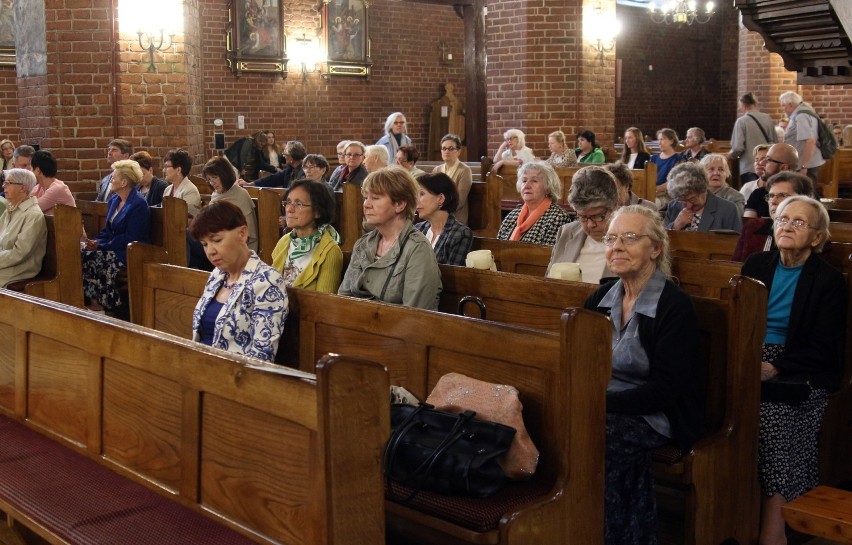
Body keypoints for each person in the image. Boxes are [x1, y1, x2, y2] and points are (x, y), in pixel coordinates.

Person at [584, 205, 703, 545]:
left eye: (630, 238)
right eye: (611, 238)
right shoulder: (600, 299)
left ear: (655, 249)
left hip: (658, 413)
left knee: (593, 437)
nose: (616, 247)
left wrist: (598, 403)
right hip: (606, 404)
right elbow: (578, 360)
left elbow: (665, 390)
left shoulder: (674, 306)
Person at [741, 196, 846, 545]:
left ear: (817, 238)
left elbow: (823, 348)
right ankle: (733, 512)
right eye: (783, 218)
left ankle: (774, 524)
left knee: (773, 415)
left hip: (800, 366)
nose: (787, 225)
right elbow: (738, 322)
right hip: (749, 354)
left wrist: (775, 366)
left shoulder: (828, 281)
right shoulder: (756, 264)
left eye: (799, 222)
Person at [190, 200, 288, 363]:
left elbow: (262, 357)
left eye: (216, 240)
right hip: (202, 368)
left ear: (242, 234)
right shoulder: (217, 275)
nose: (210, 251)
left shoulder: (267, 281)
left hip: (237, 380)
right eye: (204, 244)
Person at [338, 166, 441, 310]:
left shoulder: (417, 249)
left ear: (399, 204)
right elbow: (343, 297)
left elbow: (415, 315)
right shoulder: (363, 244)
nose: (366, 204)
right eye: (366, 197)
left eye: (375, 198)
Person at [81, 159, 150, 312]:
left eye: (114, 177)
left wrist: (102, 246)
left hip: (131, 251)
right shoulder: (114, 199)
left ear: (124, 182)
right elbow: (108, 230)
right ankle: (93, 301)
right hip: (114, 246)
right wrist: (95, 241)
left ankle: (109, 305)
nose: (111, 180)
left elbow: (131, 237)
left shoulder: (138, 204)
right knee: (84, 253)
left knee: (98, 259)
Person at [547, 166, 619, 283]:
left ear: (615, 205)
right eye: (583, 217)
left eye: (597, 216)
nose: (590, 225)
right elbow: (549, 282)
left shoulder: (632, 239)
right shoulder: (567, 232)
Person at [271, 179, 343, 292]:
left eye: (298, 204)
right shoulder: (284, 241)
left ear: (317, 212)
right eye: (288, 202)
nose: (289, 209)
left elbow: (323, 304)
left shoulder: (330, 251)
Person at [733, 172, 815, 261]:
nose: (773, 202)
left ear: (804, 199)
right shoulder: (752, 227)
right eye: (771, 196)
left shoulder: (812, 233)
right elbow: (736, 266)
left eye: (783, 195)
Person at [497, 161, 571, 245]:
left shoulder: (558, 217)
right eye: (524, 181)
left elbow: (548, 256)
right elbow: (497, 249)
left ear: (548, 187)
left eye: (534, 181)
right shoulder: (512, 215)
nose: (527, 186)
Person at [0, 169, 47, 287]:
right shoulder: (10, 209)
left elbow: (19, 254)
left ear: (23, 187)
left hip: (19, 269)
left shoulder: (33, 215)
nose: (3, 186)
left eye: (8, 183)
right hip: (5, 263)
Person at [664, 162, 742, 233]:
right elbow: (661, 240)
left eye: (692, 199)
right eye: (683, 201)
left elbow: (736, 244)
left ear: (703, 190)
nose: (688, 206)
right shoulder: (673, 206)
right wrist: (675, 226)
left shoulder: (728, 209)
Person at [414, 172, 472, 266]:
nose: (416, 200)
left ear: (440, 199)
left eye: (421, 194)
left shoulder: (460, 233)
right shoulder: (418, 229)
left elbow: (450, 277)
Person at [203, 156, 258, 251]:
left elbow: (248, 232)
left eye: (214, 177)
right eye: (209, 179)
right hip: (215, 240)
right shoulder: (215, 195)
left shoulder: (240, 194)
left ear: (224, 175)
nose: (212, 183)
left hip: (238, 246)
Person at [729, 92, 777, 186]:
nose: (739, 108)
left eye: (740, 106)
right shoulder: (767, 118)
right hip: (766, 165)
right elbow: (774, 142)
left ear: (744, 105)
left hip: (749, 166)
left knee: (751, 194)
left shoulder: (742, 121)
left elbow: (738, 148)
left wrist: (729, 157)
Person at [780, 91, 825, 182]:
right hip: (806, 163)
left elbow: (810, 141)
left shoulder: (801, 116)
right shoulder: (803, 112)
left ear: (790, 105)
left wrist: (804, 166)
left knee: (804, 192)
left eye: (783, 105)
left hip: (807, 164)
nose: (782, 109)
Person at [744, 143, 799, 219]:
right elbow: (748, 228)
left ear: (784, 168)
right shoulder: (757, 195)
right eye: (771, 196)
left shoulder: (804, 196)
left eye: (768, 160)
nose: (761, 163)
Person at [431, 134, 472, 225]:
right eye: (444, 148)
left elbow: (460, 201)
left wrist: (438, 209)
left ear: (458, 151)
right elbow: (431, 195)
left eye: (450, 148)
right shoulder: (436, 170)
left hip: (456, 219)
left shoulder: (464, 170)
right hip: (437, 216)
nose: (446, 151)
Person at [31, 150, 75, 215]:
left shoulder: (57, 188)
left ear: (38, 170)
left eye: (31, 168)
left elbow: (32, 209)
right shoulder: (39, 187)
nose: (30, 172)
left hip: (68, 224)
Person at [162, 148, 202, 217]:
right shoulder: (167, 189)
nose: (163, 170)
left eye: (167, 166)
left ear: (178, 170)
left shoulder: (190, 191)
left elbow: (190, 218)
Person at [649, 128, 682, 209]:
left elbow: (674, 180)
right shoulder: (654, 158)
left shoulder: (678, 159)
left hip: (668, 195)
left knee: (650, 205)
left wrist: (656, 189)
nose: (659, 142)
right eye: (658, 139)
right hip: (652, 192)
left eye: (662, 139)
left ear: (671, 141)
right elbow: (649, 177)